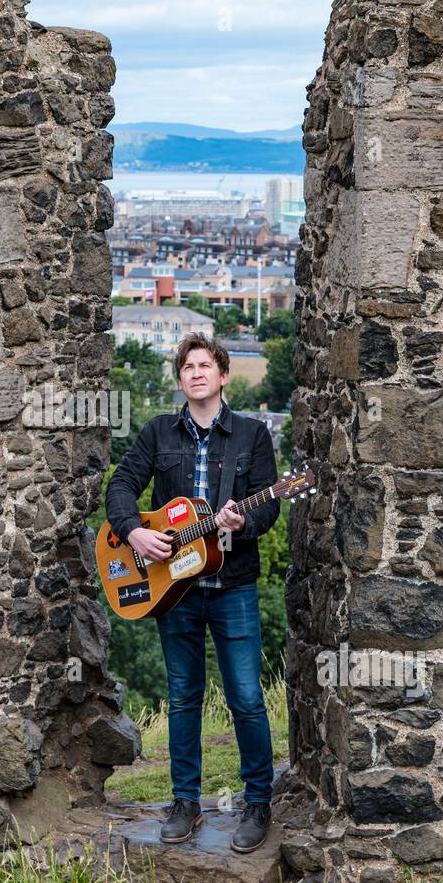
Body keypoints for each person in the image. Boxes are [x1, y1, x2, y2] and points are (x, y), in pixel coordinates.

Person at [105, 332, 281, 853]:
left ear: (223, 375)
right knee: (183, 698)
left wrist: (238, 521)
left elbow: (268, 508)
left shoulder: (253, 435)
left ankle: (257, 804)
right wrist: (133, 530)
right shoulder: (158, 433)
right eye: (188, 367)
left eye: (206, 365)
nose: (196, 373)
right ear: (180, 378)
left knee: (246, 699)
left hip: (232, 587)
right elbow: (119, 486)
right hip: (173, 591)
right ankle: (185, 803)